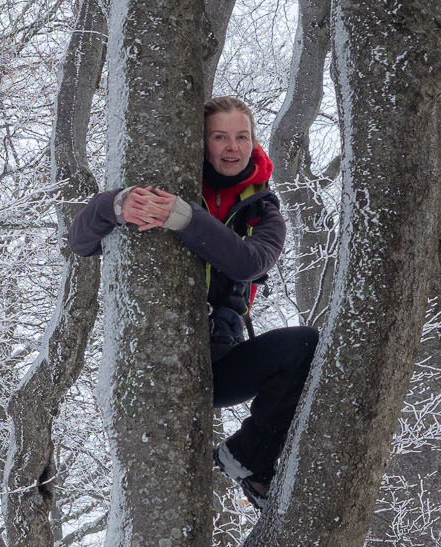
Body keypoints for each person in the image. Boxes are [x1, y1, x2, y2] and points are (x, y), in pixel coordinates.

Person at [66, 95, 318, 509]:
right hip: (151, 354)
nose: (232, 147)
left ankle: (247, 458)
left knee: (306, 345)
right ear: (201, 142)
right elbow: (80, 241)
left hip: (218, 361)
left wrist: (184, 218)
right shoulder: (172, 178)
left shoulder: (264, 208)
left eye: (242, 137)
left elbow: (249, 263)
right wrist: (116, 205)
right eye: (219, 137)